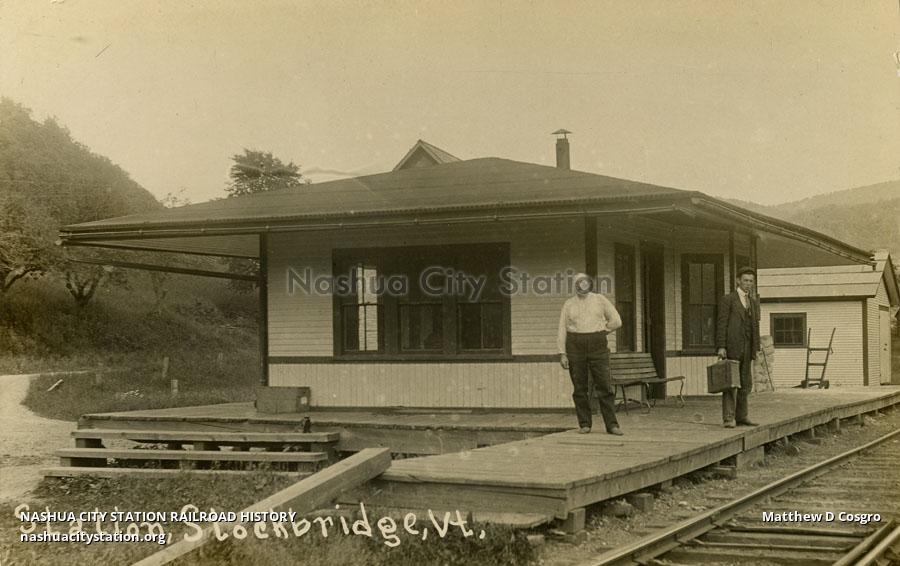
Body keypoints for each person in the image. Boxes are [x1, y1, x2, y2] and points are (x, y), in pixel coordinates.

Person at [558, 273, 624, 435]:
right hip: (575, 345)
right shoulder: (569, 304)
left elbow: (617, 320)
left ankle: (612, 425)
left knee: (604, 386)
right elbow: (562, 329)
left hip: (597, 345)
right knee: (580, 387)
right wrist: (562, 353)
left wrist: (602, 331)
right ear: (574, 286)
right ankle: (585, 424)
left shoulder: (600, 300)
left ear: (589, 284)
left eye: (584, 283)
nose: (581, 286)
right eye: (578, 284)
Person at [716, 266, 761, 428]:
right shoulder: (728, 299)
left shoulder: (753, 302)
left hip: (748, 347)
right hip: (732, 346)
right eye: (746, 280)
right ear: (738, 281)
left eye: (751, 281)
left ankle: (742, 416)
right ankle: (729, 418)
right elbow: (721, 324)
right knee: (731, 383)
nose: (748, 284)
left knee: (745, 383)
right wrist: (721, 346)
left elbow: (755, 326)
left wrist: (756, 347)